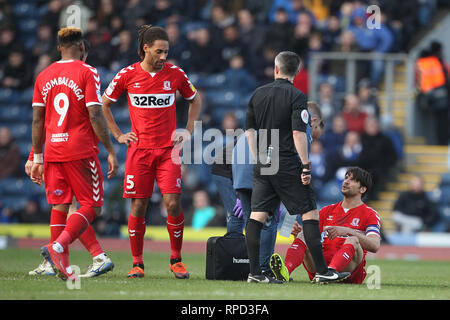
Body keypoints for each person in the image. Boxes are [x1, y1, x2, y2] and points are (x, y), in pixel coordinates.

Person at [102, 25, 202, 279]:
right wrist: (118, 135)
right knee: (138, 206)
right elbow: (104, 104)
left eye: (166, 52)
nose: (163, 57)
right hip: (139, 152)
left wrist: (188, 130)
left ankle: (176, 259)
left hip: (169, 150)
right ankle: (137, 263)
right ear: (145, 48)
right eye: (159, 52)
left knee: (173, 202)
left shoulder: (175, 74)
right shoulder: (127, 75)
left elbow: (195, 99)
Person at [244, 50, 350, 284]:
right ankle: (322, 270)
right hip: (287, 161)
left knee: (257, 215)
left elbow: (249, 131)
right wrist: (305, 165)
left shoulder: (257, 94)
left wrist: (257, 157)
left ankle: (254, 273)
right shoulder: (297, 96)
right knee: (310, 212)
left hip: (264, 160)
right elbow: (297, 133)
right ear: (297, 71)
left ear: (276, 69)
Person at [30, 27, 118, 280]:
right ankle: (57, 248)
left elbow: (38, 121)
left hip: (53, 151)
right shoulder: (87, 71)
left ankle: (63, 265)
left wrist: (36, 157)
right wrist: (110, 150)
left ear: (58, 48)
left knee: (61, 205)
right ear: (82, 48)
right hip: (79, 149)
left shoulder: (43, 76)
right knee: (92, 206)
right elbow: (94, 112)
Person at [270, 167, 381, 284]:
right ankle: (285, 272)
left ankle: (331, 271)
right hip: (320, 266)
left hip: (350, 270)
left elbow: (375, 245)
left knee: (353, 239)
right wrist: (299, 233)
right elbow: (312, 238)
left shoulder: (370, 214)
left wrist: (348, 231)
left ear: (362, 189)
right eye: (346, 178)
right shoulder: (326, 211)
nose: (346, 181)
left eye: (353, 180)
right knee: (304, 234)